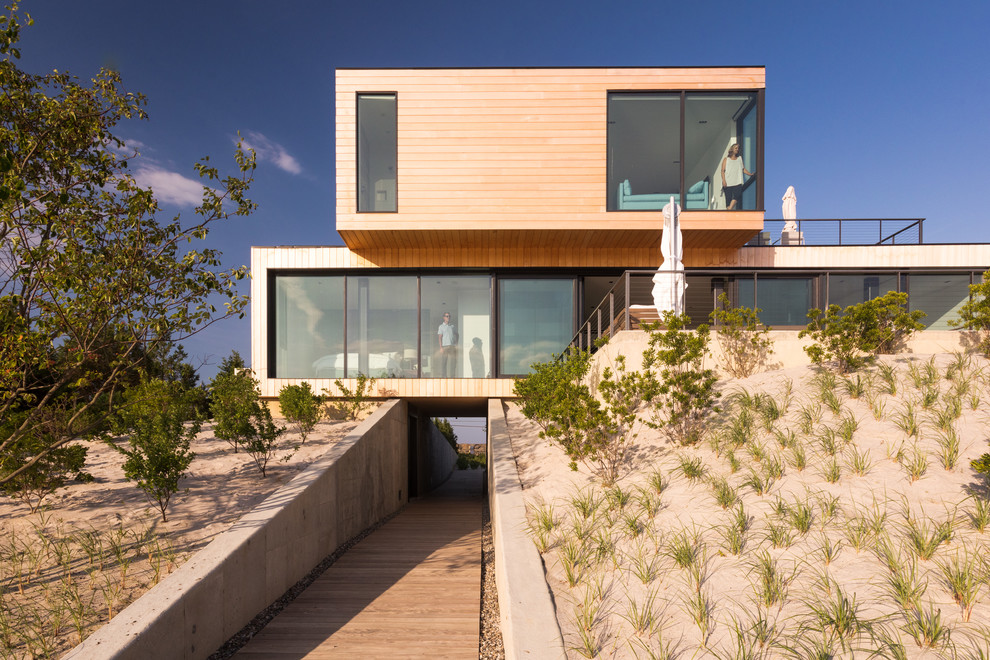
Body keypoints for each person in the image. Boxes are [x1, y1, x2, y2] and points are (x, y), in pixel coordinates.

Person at [720, 143, 755, 211]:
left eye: (738, 148)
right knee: (728, 201)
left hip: (737, 182)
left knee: (738, 195)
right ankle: (729, 213)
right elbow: (722, 171)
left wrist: (750, 174)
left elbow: (743, 169)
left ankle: (729, 209)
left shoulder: (739, 159)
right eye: (736, 148)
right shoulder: (726, 159)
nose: (737, 149)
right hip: (728, 183)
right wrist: (724, 180)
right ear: (732, 149)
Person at [437, 312, 456, 378]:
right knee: (444, 362)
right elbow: (440, 337)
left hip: (452, 346)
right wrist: (441, 347)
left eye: (449, 316)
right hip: (445, 346)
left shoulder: (452, 326)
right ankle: (444, 377)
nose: (448, 317)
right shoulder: (441, 326)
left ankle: (452, 376)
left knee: (453, 362)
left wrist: (456, 343)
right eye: (447, 316)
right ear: (444, 317)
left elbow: (457, 334)